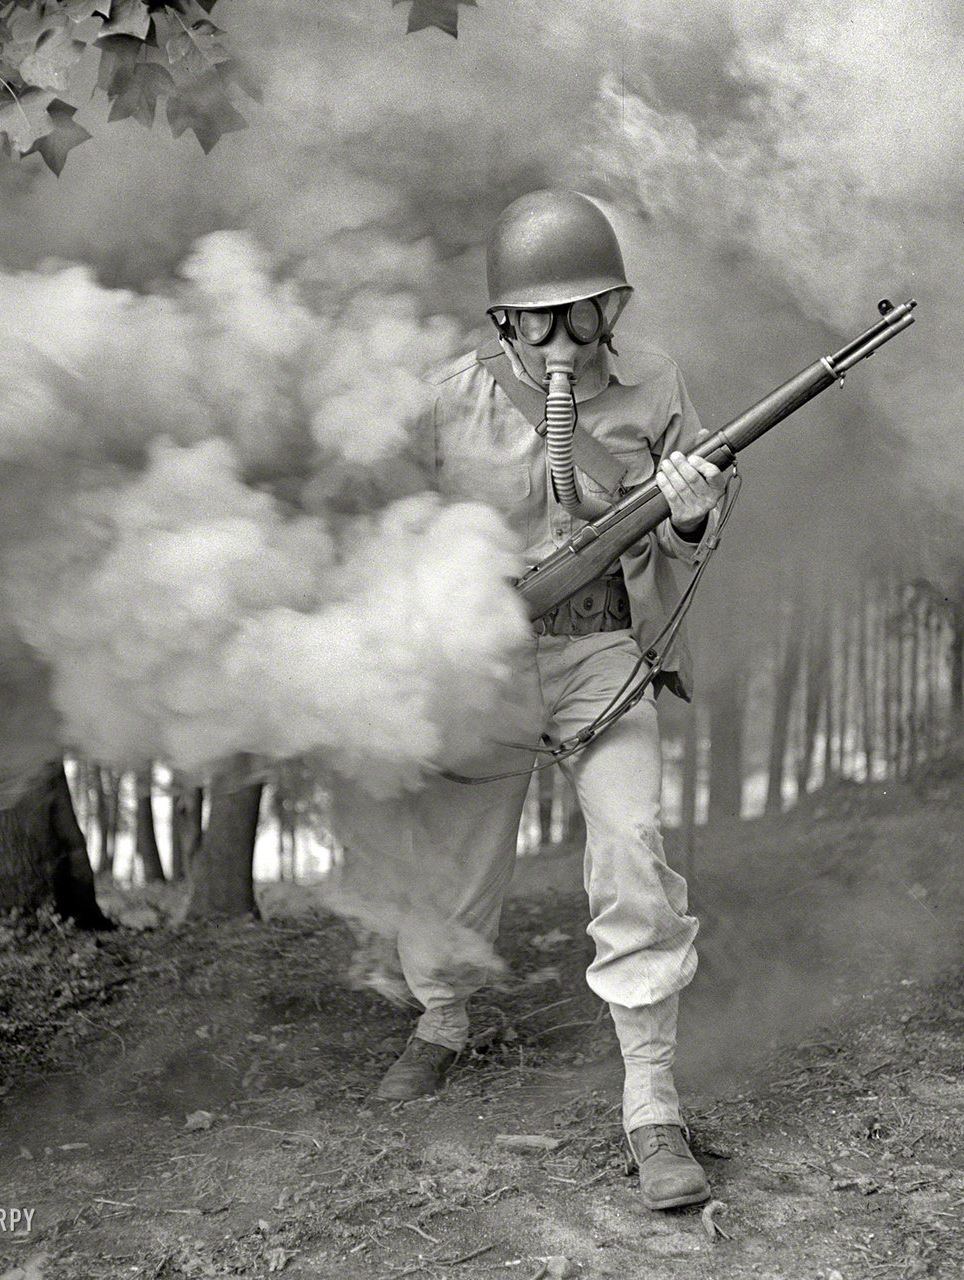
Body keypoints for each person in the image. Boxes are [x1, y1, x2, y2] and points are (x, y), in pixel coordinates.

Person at [372, 189, 730, 1212]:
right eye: (540, 318)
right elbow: (384, 526)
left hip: (601, 652)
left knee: (634, 844)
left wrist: (689, 517)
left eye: (583, 311)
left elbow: (685, 537)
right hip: (480, 661)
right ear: (504, 319)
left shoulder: (656, 382)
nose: (564, 337)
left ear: (612, 307)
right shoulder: (444, 399)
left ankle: (650, 1097)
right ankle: (442, 1015)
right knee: (450, 849)